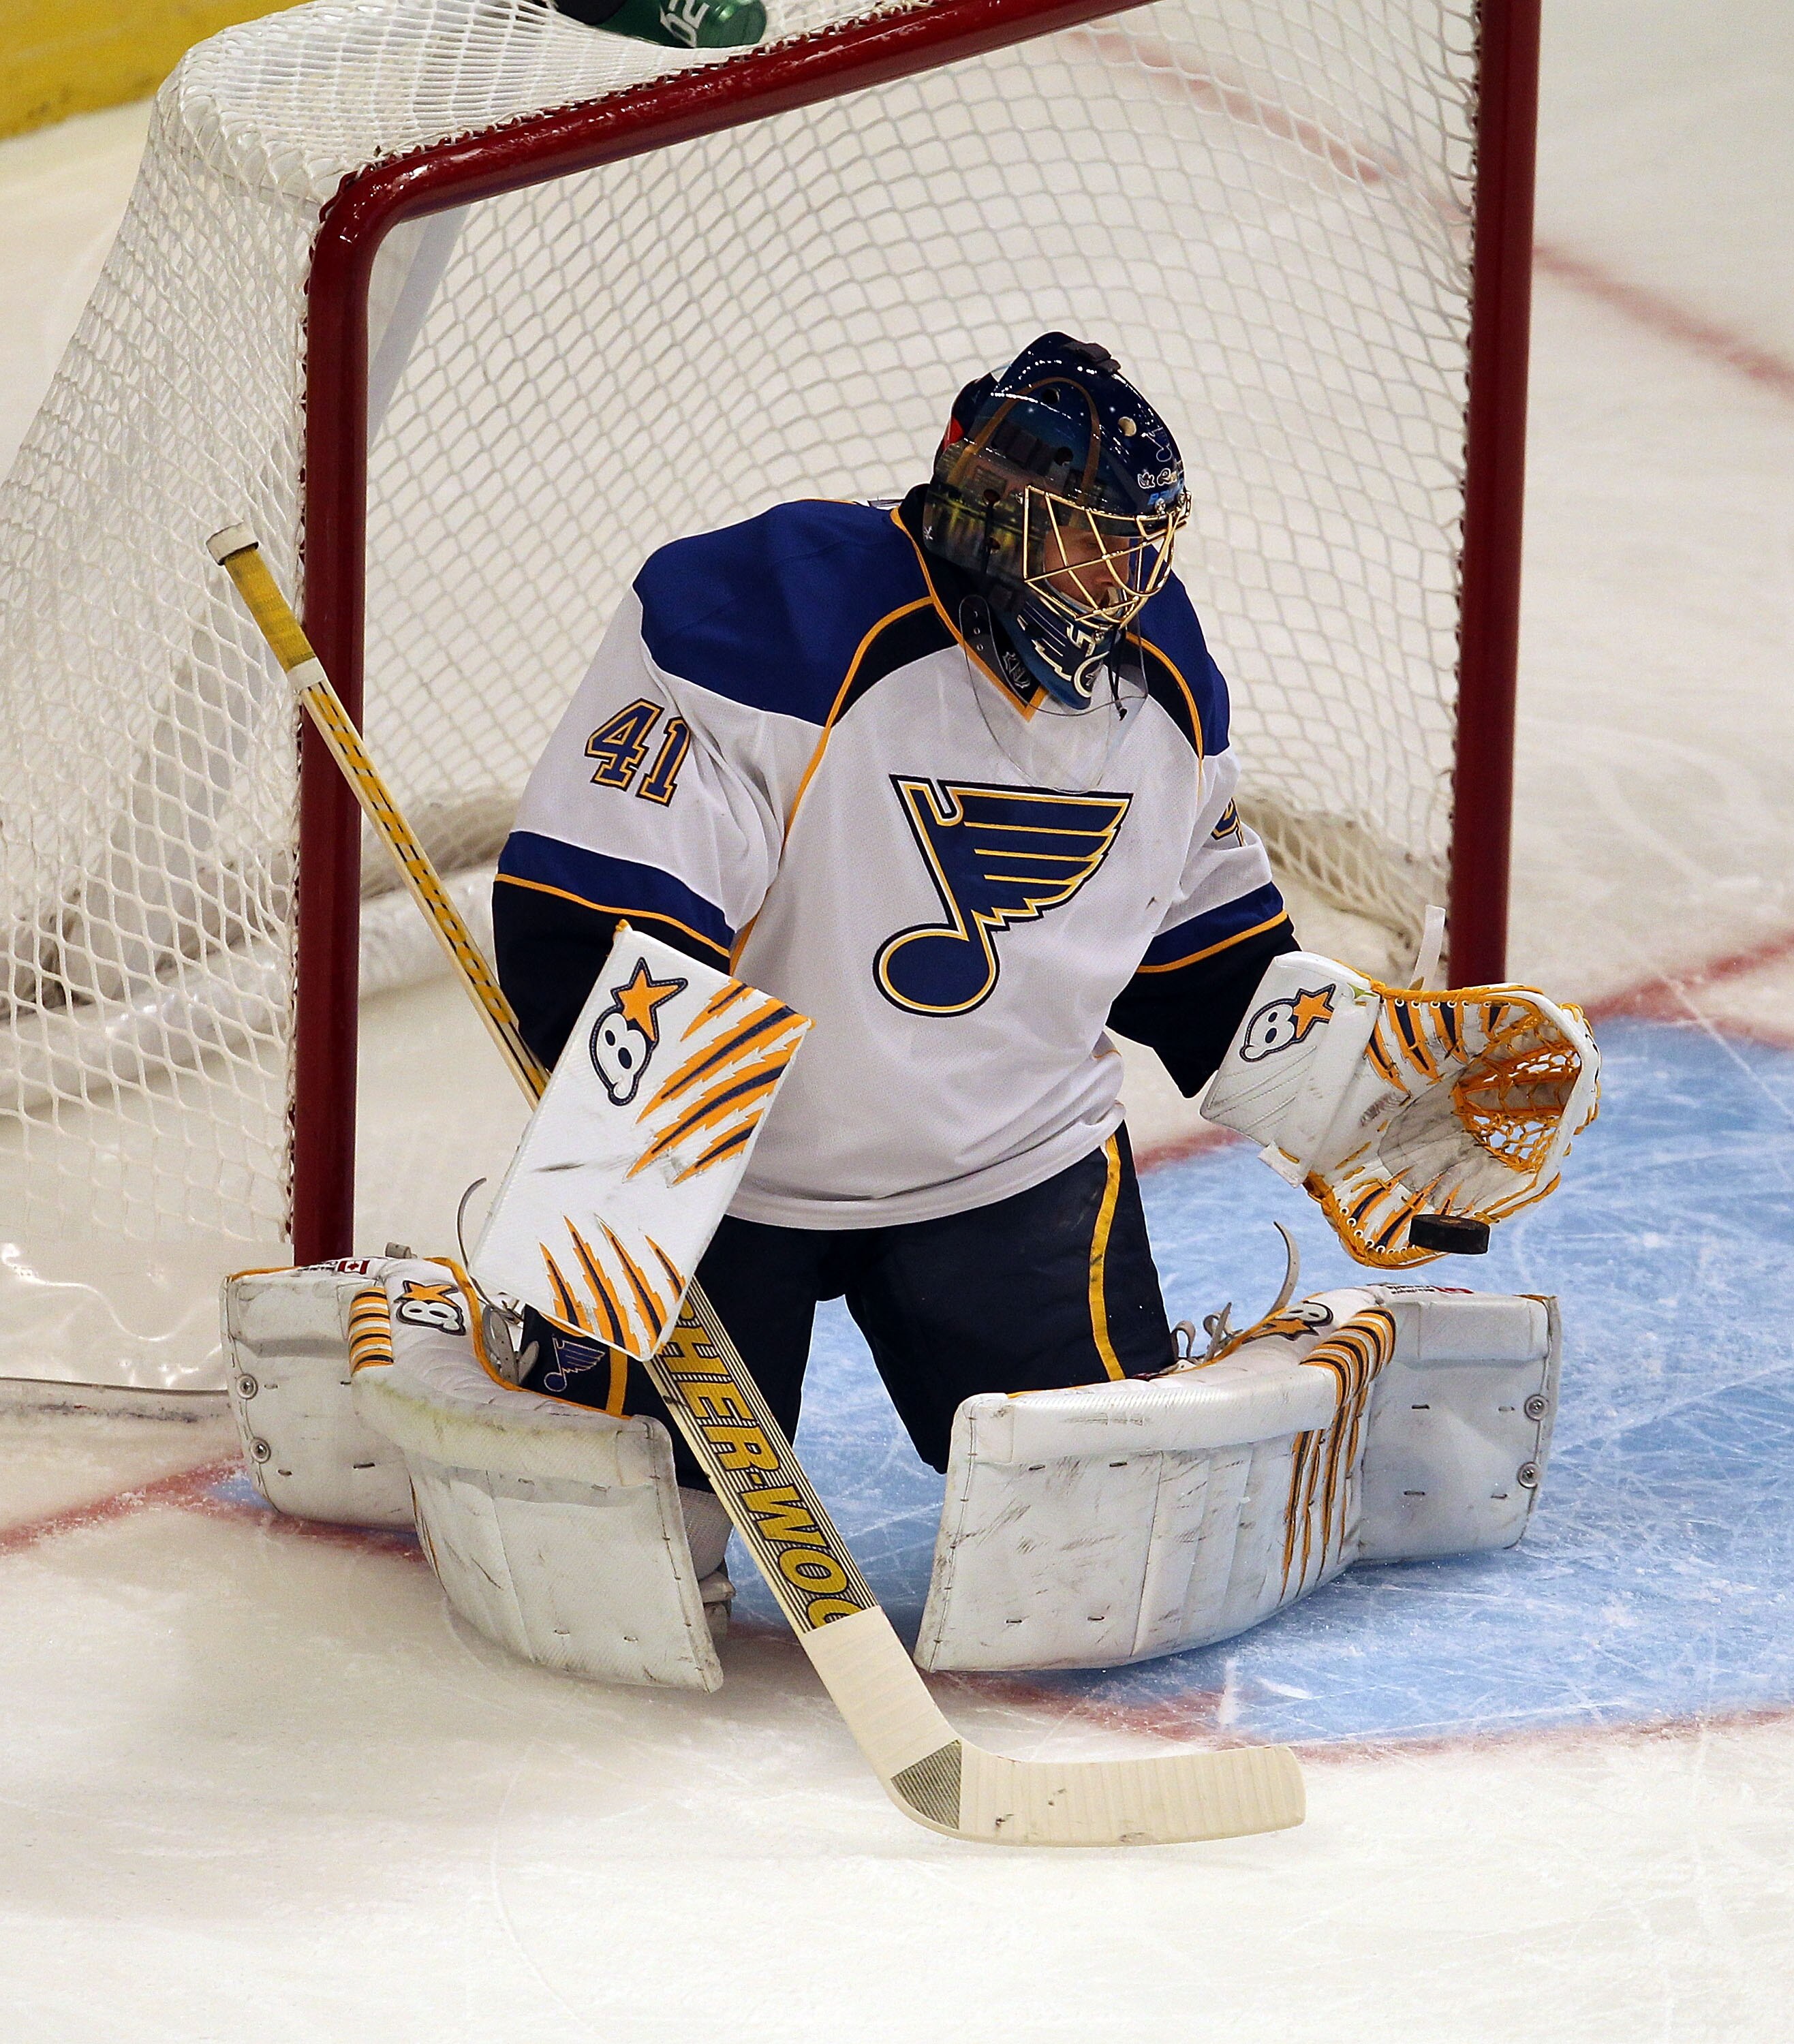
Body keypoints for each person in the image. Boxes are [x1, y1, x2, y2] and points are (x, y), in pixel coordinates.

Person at [492, 332, 1299, 1504]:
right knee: (617, 1530)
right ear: (991, 517)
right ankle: (499, 1368)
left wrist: (1363, 1100)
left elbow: (1206, 956)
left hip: (1007, 1159)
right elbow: (596, 931)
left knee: (1102, 1525)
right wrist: (630, 1207)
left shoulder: (1157, 667)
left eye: (1132, 553)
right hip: (718, 1166)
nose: (1112, 590)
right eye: (1082, 544)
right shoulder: (771, 617)